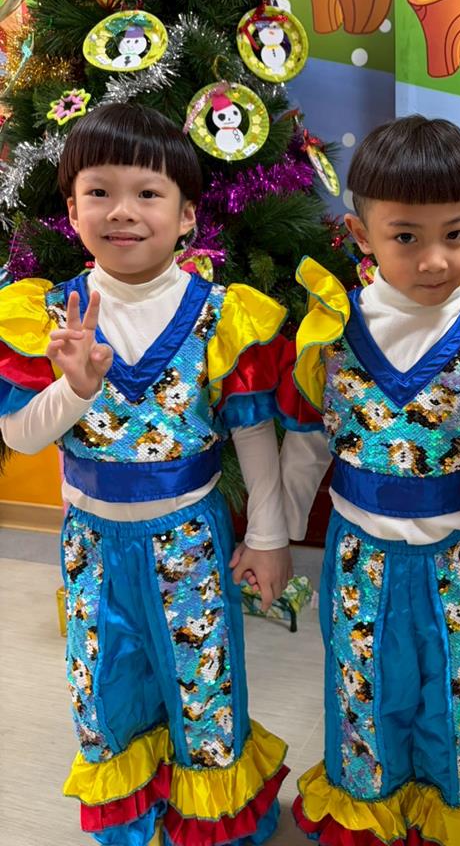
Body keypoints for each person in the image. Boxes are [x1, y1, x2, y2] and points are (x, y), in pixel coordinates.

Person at [0, 103, 293, 846]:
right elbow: (20, 436)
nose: (122, 211)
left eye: (148, 193)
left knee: (202, 686)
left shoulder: (223, 317)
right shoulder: (46, 315)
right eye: (99, 192)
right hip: (92, 546)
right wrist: (75, 388)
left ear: (188, 215)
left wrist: (268, 539)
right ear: (72, 211)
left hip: (189, 541)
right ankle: (131, 824)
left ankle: (212, 824)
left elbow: (254, 438)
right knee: (105, 683)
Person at [279, 115, 460, 846]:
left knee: (459, 696)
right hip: (359, 557)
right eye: (405, 236)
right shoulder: (331, 332)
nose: (434, 260)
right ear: (360, 233)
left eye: (455, 235)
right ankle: (369, 812)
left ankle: (455, 815)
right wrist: (274, 539)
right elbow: (305, 444)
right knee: (363, 693)